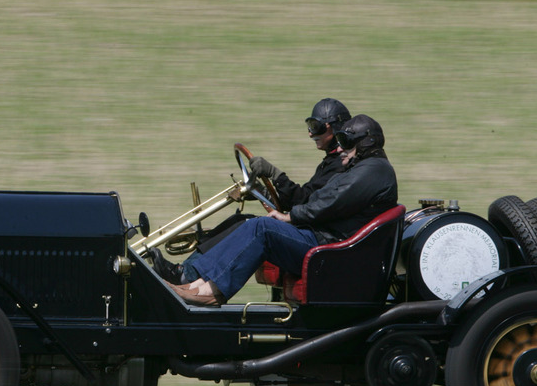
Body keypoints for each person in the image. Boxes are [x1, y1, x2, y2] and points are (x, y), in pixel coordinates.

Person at [168, 114, 397, 306]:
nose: (342, 149)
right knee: (255, 224)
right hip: (324, 241)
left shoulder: (374, 170)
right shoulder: (365, 169)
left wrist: (290, 217)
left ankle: (211, 292)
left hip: (329, 250)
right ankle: (197, 284)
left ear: (366, 143)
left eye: (347, 142)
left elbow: (331, 202)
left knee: (262, 228)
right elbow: (318, 199)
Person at [149, 98, 353, 284]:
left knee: (251, 225)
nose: (310, 133)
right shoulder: (331, 162)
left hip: (318, 243)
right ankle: (186, 271)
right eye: (310, 126)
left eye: (316, 127)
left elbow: (303, 202)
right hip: (309, 233)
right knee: (241, 220)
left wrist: (275, 174)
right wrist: (262, 192)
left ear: (334, 127)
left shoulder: (340, 166)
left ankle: (187, 275)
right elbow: (304, 200)